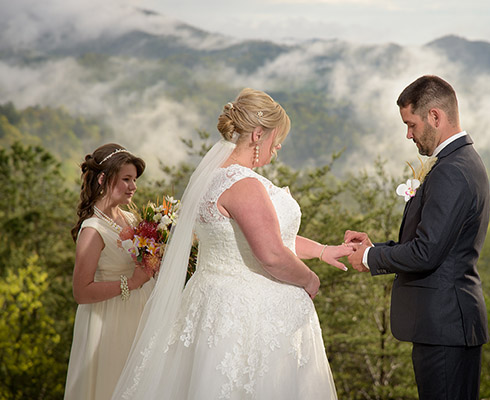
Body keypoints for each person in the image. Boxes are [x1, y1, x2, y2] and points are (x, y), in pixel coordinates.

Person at [112, 88, 350, 399]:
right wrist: (310, 278)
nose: (277, 149)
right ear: (257, 135)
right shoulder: (244, 185)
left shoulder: (214, 177)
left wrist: (321, 250)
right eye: (275, 141)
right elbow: (272, 254)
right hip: (252, 318)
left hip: (211, 303)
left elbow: (264, 236)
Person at [345, 75, 490, 400]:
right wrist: (374, 248)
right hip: (448, 326)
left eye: (411, 124)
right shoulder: (459, 161)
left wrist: (370, 259)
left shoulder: (452, 170)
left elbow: (427, 253)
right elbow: (433, 242)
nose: (408, 134)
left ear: (435, 116)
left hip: (445, 327)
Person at [64, 144, 154, 400]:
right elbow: (81, 292)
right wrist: (132, 283)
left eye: (134, 180)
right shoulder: (93, 230)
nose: (133, 187)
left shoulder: (133, 219)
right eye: (126, 179)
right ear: (103, 179)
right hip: (109, 322)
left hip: (140, 314)